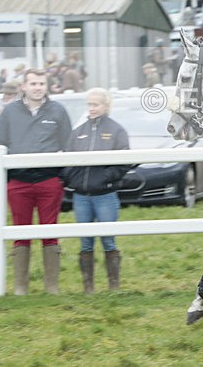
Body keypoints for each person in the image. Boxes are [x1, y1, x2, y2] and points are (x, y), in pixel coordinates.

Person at [0, 69, 72, 295]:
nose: (38, 87)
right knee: (21, 231)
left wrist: (61, 176)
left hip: (49, 181)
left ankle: (52, 286)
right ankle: (20, 287)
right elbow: (0, 143)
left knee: (50, 230)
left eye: (41, 83)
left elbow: (68, 143)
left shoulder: (58, 110)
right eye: (33, 83)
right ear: (24, 87)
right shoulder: (10, 112)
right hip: (19, 182)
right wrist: (8, 176)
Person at [60, 88, 131, 293]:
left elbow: (124, 162)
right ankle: (88, 287)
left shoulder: (117, 131)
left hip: (105, 196)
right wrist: (74, 180)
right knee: (85, 242)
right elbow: (67, 160)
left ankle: (113, 286)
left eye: (95, 104)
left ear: (106, 105)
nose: (91, 108)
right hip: (81, 196)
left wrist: (105, 178)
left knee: (108, 240)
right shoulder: (78, 132)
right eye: (89, 104)